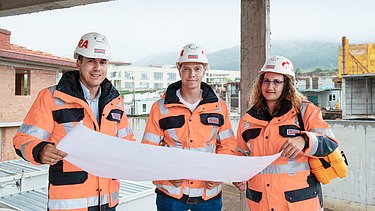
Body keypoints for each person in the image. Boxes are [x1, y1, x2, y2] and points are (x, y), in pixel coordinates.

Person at [13, 32, 134, 211]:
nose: (97, 68)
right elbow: (22, 140)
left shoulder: (115, 101)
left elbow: (127, 144)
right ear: (79, 63)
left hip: (108, 203)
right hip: (69, 205)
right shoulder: (51, 98)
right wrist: (40, 150)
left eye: (102, 62)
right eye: (91, 61)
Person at [141, 44, 239, 211]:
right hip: (171, 195)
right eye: (186, 69)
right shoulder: (160, 107)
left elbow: (228, 146)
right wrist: (167, 172)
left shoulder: (219, 107)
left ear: (204, 70)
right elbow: (148, 150)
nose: (192, 74)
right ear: (179, 69)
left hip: (208, 195)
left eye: (197, 68)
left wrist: (219, 174)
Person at [234, 56, 339, 211]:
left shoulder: (305, 112)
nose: (270, 86)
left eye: (277, 82)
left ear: (287, 85)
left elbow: (330, 143)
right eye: (266, 81)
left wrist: (305, 140)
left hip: (299, 203)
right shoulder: (247, 120)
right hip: (261, 203)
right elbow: (241, 154)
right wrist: (237, 174)